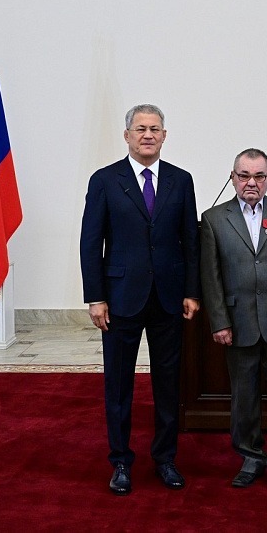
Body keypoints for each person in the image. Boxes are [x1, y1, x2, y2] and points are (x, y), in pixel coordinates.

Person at [80, 104, 200, 495]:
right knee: (118, 385)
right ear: (127, 135)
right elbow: (90, 242)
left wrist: (191, 290)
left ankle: (165, 459)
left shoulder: (181, 180)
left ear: (164, 135)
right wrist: (96, 297)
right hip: (119, 299)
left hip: (169, 298)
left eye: (155, 129)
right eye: (140, 128)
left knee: (168, 383)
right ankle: (120, 461)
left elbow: (191, 241)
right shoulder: (105, 180)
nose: (148, 135)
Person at [199, 148, 267, 492]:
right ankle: (250, 459)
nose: (251, 182)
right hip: (238, 324)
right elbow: (211, 278)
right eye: (244, 175)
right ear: (232, 177)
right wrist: (219, 322)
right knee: (244, 398)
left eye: (259, 176)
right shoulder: (214, 219)